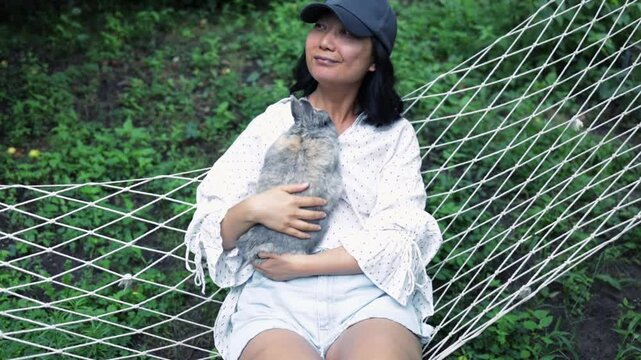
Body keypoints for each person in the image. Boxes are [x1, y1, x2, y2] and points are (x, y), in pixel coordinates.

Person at [184, 0, 443, 359]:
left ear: (374, 60)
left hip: (366, 297)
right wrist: (253, 209)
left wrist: (302, 266)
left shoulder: (393, 136)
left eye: (347, 34)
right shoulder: (273, 123)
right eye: (320, 27)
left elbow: (400, 237)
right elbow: (209, 225)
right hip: (276, 301)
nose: (325, 41)